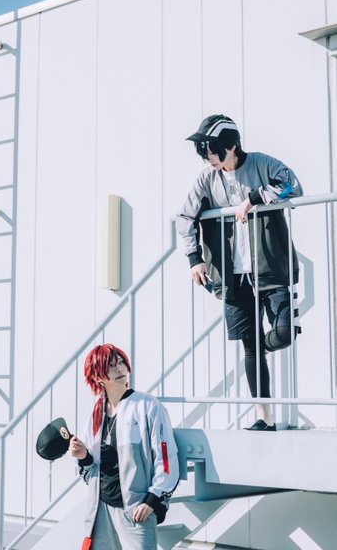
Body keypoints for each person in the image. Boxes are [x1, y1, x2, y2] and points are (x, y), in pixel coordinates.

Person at [176, 114, 303, 431]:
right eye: (202, 149)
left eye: (211, 148)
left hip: (271, 268)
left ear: (231, 145)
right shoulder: (206, 179)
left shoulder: (260, 164)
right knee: (249, 347)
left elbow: (293, 185)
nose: (206, 155)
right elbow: (184, 217)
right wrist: (194, 259)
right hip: (233, 277)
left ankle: (263, 347)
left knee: (284, 333)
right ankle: (264, 417)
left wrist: (255, 197)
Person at [69, 343, 179, 550]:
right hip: (100, 509)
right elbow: (89, 468)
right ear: (98, 377)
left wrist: (152, 500)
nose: (119, 369)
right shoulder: (96, 414)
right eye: (111, 365)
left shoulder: (147, 405)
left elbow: (166, 457)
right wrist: (83, 456)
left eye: (121, 362)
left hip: (136, 510)